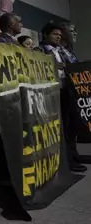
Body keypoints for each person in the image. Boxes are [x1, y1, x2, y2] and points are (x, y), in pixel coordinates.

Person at [39, 23, 87, 173]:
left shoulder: (63, 50)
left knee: (72, 126)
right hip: (53, 92)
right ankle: (68, 161)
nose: (58, 37)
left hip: (69, 90)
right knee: (62, 128)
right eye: (55, 34)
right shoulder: (40, 50)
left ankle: (74, 155)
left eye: (60, 35)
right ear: (46, 35)